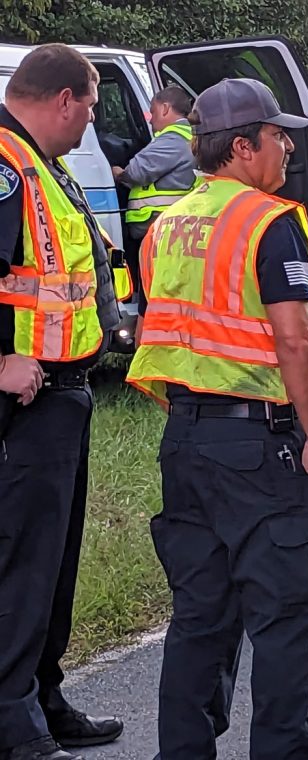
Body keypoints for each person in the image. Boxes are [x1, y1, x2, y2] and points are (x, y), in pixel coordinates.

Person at [126, 78, 308, 760]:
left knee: (199, 620)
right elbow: (296, 338)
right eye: (277, 136)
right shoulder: (266, 221)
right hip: (260, 445)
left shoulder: (167, 226)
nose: (286, 147)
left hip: (185, 442)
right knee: (290, 617)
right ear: (243, 147)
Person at [0, 45, 125, 760]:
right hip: (26, 401)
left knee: (52, 560)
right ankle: (12, 721)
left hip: (63, 395)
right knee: (22, 560)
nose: (90, 126)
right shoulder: (6, 168)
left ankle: (43, 696)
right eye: (92, 108)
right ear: (67, 99)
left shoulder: (37, 165)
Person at [111, 85, 197, 241]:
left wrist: (119, 174)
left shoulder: (173, 138)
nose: (150, 120)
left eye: (153, 112)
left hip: (159, 223)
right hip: (172, 222)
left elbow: (137, 172)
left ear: (165, 109)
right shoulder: (188, 135)